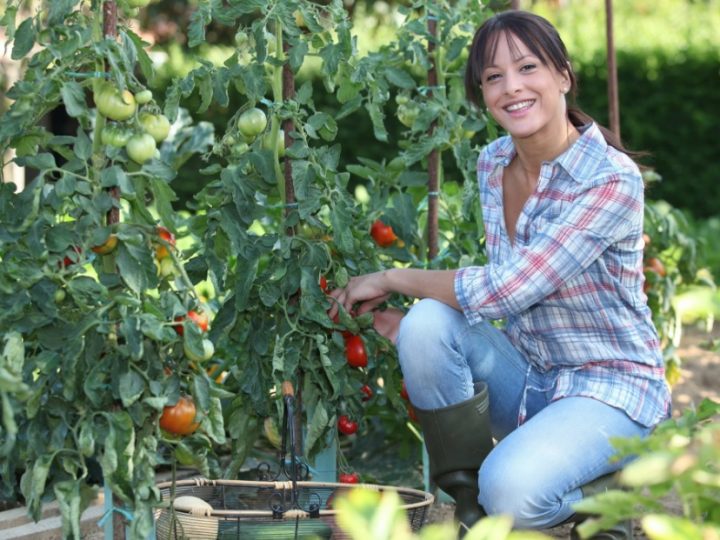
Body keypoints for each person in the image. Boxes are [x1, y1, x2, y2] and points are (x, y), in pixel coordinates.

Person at [329, 9, 671, 540]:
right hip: (530, 374)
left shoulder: (610, 179)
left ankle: (609, 499)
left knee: (513, 491)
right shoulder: (494, 163)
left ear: (563, 75)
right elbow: (496, 295)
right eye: (493, 77)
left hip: (610, 389)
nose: (512, 87)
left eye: (528, 67)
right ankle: (473, 511)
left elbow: (511, 286)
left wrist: (392, 276)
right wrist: (426, 324)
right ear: (482, 92)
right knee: (424, 325)